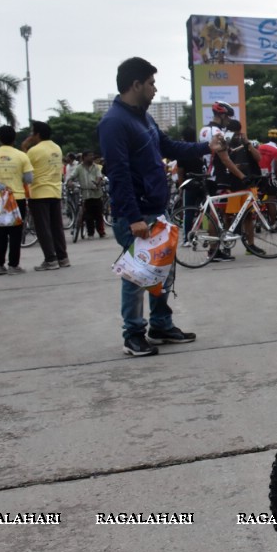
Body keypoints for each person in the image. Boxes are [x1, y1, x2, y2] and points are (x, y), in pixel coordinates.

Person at [99, 56, 212, 357]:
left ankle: (161, 325)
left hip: (156, 210)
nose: (154, 88)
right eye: (150, 83)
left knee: (162, 271)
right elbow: (118, 173)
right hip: (136, 215)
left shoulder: (144, 119)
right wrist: (133, 216)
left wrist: (206, 148)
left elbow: (171, 147)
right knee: (137, 276)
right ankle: (133, 335)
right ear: (135, 85)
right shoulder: (114, 123)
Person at [0, 125, 33, 275]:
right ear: (14, 139)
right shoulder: (22, 156)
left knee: (0, 232)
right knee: (16, 233)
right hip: (17, 198)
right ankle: (14, 265)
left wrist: (1, 187)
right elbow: (29, 178)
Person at [22, 121, 70, 270]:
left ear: (37, 134)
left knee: (43, 228)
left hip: (39, 192)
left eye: (32, 133)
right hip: (55, 191)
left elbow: (24, 167)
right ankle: (63, 257)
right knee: (57, 227)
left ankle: (50, 259)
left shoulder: (34, 151)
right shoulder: (57, 148)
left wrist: (24, 147)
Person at [212, 119, 261, 254]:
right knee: (228, 216)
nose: (237, 136)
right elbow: (225, 163)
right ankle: (227, 247)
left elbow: (258, 158)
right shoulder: (224, 145)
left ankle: (251, 245)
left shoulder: (245, 144)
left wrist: (248, 144)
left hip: (247, 184)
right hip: (231, 184)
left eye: (239, 133)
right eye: (235, 133)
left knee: (248, 216)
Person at [68, 150, 107, 239]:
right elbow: (72, 176)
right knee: (88, 215)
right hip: (85, 194)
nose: (91, 157)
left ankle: (101, 232)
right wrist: (70, 181)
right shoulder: (79, 168)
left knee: (98, 215)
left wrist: (97, 182)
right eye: (89, 155)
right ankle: (90, 233)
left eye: (92, 155)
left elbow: (99, 176)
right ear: (84, 157)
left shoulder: (96, 167)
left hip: (96, 193)